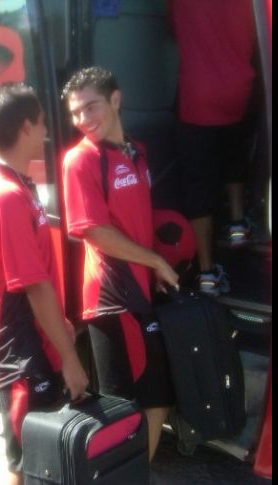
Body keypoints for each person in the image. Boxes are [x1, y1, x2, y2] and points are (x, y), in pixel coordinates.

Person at [0, 83, 89, 485]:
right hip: (20, 348)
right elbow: (33, 286)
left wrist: (59, 329)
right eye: (41, 123)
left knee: (39, 457)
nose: (46, 131)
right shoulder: (4, 196)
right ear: (24, 127)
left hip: (33, 339)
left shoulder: (14, 184)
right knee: (26, 462)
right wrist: (70, 359)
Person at [61, 66, 178, 461]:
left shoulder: (136, 152)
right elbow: (94, 231)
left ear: (115, 99)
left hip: (140, 294)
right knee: (124, 412)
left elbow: (137, 222)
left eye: (90, 107)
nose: (83, 119)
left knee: (157, 402)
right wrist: (155, 261)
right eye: (75, 112)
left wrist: (154, 267)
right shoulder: (79, 161)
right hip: (111, 300)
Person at [170, 0, 258, 296]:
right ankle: (237, 224)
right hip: (238, 88)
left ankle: (207, 273)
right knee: (236, 153)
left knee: (197, 182)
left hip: (196, 93)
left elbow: (171, 29)